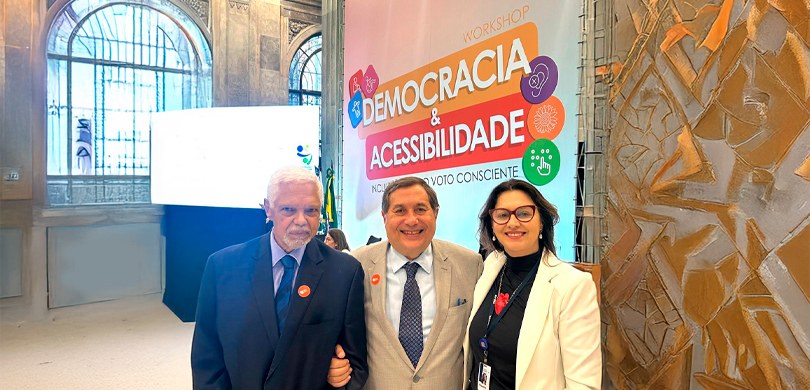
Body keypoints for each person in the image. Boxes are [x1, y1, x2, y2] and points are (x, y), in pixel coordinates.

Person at [191, 167, 368, 390]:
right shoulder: (222, 267)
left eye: (311, 210)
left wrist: (340, 373)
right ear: (268, 209)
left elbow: (355, 362)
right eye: (288, 209)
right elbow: (207, 356)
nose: (301, 220)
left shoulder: (345, 272)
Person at [328, 176, 483, 389]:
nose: (411, 220)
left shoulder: (469, 264)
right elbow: (334, 328)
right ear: (384, 217)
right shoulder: (356, 265)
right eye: (399, 210)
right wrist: (332, 360)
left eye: (420, 209)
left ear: (436, 213)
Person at [463, 179, 601, 389]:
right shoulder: (491, 265)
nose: (512, 223)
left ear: (542, 222)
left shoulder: (572, 285)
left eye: (524, 213)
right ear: (492, 224)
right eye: (502, 215)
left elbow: (583, 383)